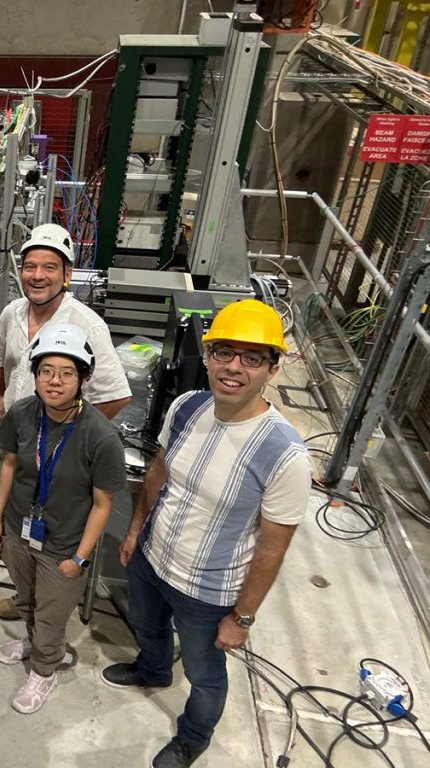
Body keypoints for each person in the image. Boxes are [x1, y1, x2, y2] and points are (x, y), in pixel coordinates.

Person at [102, 299, 311, 768]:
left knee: (204, 672)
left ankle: (193, 735)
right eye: (224, 352)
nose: (234, 367)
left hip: (208, 591)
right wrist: (136, 529)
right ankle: (153, 669)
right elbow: (158, 472)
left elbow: (273, 548)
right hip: (153, 559)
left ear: (273, 368)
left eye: (252, 357)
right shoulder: (188, 406)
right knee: (147, 625)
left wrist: (242, 618)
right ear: (209, 354)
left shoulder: (285, 454)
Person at [0, 222, 131, 621]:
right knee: (17, 533)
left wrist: (71, 435)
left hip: (56, 451)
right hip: (20, 445)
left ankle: (47, 611)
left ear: (67, 274)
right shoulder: (12, 312)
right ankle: (25, 599)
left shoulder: (86, 324)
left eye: (50, 267)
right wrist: (2, 396)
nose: (38, 276)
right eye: (30, 266)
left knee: (52, 538)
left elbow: (117, 393)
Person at [0, 324, 126, 714]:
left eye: (67, 373)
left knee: (52, 613)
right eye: (46, 371)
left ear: (83, 379)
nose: (55, 381)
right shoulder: (22, 414)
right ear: (34, 375)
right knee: (27, 599)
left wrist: (79, 558)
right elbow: (11, 465)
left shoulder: (99, 436)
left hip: (63, 544)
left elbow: (102, 505)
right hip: (19, 530)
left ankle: (44, 670)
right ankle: (33, 643)